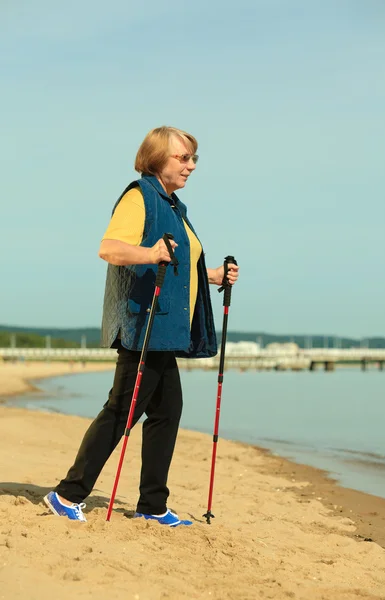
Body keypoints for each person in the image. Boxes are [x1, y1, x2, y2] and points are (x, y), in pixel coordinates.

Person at [44, 126, 239, 526]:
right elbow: (109, 248)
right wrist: (149, 252)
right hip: (145, 325)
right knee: (122, 411)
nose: (190, 166)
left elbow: (180, 266)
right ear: (156, 159)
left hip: (166, 331)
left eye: (193, 159)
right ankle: (67, 494)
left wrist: (215, 275)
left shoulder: (173, 206)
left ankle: (152, 505)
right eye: (182, 158)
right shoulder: (140, 196)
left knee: (167, 412)